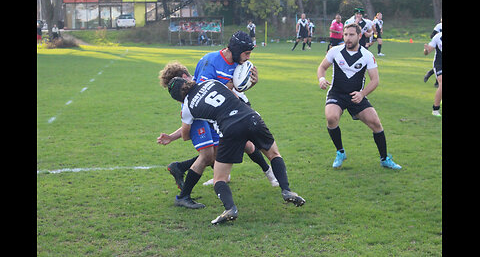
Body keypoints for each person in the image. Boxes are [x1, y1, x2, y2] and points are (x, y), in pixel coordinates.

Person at [157, 32, 279, 208]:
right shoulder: (205, 71)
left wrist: (247, 85)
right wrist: (175, 136)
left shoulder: (203, 82)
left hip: (216, 112)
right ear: (183, 77)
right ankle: (184, 192)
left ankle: (185, 170)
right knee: (210, 155)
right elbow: (189, 127)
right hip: (210, 113)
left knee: (234, 147)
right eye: (190, 75)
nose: (194, 76)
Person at [165, 76, 306, 224]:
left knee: (219, 178)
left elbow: (186, 135)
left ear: (177, 99)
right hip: (251, 117)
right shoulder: (211, 82)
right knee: (274, 154)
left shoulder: (187, 107)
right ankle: (286, 190)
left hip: (230, 129)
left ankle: (230, 208)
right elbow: (235, 96)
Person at [316, 23, 402, 170]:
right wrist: (321, 79)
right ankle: (340, 152)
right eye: (345, 35)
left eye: (351, 35)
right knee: (331, 118)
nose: (348, 38)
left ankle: (384, 159)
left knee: (376, 123)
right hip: (336, 93)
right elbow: (322, 67)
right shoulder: (335, 51)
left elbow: (375, 80)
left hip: (357, 96)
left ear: (359, 36)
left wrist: (362, 94)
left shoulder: (367, 55)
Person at [423, 31, 442, 117]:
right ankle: (435, 109)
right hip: (439, 63)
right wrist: (426, 50)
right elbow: (427, 52)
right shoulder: (438, 36)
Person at [423, 19, 442, 87]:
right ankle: (437, 82)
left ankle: (431, 75)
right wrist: (436, 38)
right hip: (439, 46)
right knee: (439, 63)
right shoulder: (439, 26)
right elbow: (432, 35)